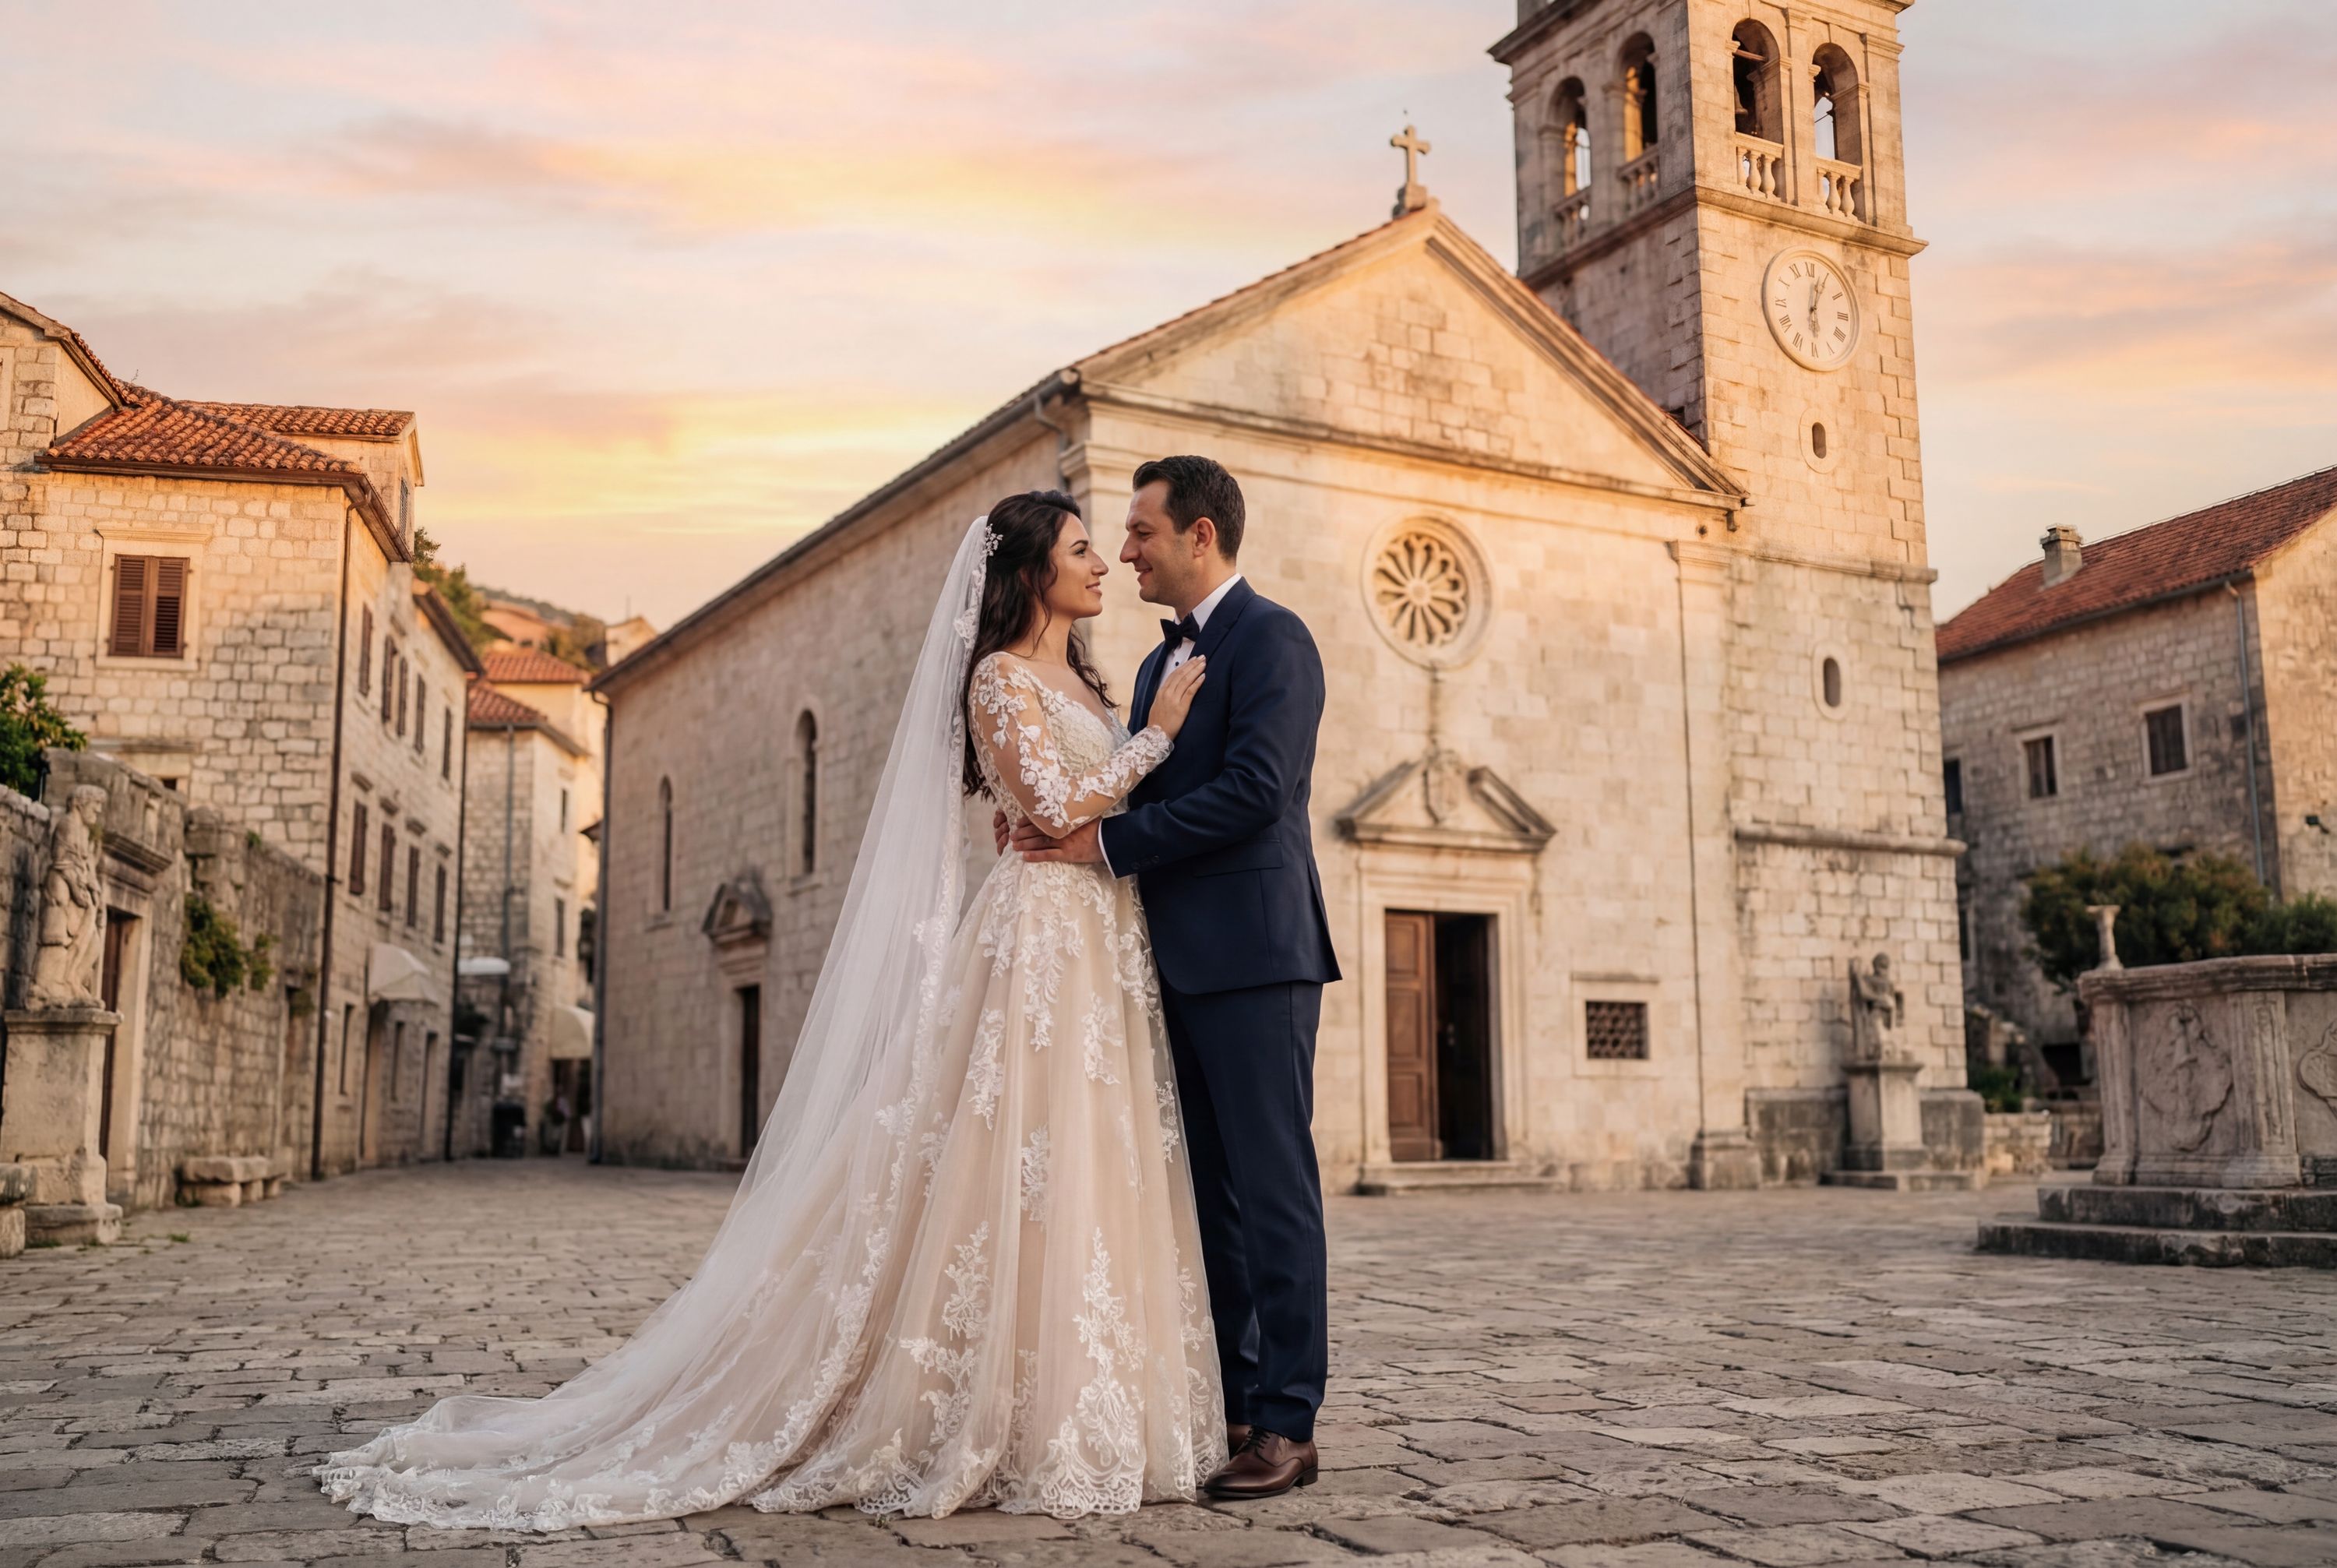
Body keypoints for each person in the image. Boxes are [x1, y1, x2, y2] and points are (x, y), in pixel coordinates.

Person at [318, 491, 1221, 1527]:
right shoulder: (998, 677)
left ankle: (1079, 1396)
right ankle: (973, 1407)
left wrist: (1129, 751)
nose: (1101, 562)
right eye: (1078, 548)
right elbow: (1052, 807)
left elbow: (1074, 806)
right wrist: (1151, 739)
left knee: (1083, 1158)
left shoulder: (1081, 675)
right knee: (1009, 1151)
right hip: (1038, 942)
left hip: (1098, 936)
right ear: (1029, 573)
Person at [1007, 456, 1339, 1499]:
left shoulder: (1275, 639)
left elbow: (1255, 791)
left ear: (1201, 536)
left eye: (1144, 531)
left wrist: (1107, 847)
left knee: (1274, 1188)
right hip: (1165, 965)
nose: (1128, 551)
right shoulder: (1154, 672)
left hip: (1256, 954)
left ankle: (1291, 1420)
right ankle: (1239, 1406)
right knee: (1212, 1199)